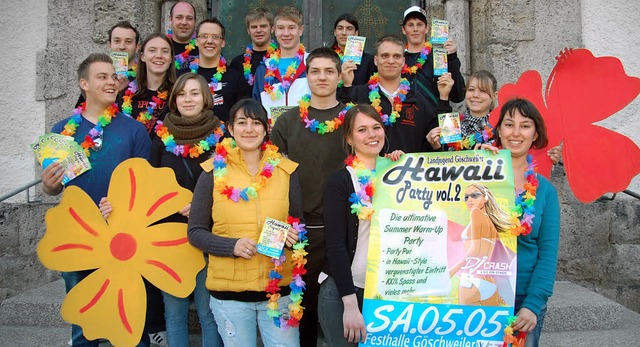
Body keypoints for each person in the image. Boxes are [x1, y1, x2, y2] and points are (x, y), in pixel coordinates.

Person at [42, 53, 151, 346]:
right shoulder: (61, 132)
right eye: (102, 76)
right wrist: (49, 186)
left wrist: (123, 206)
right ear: (84, 84)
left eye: (113, 76)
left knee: (128, 320)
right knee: (83, 321)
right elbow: (54, 189)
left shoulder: (134, 130)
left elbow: (143, 185)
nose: (111, 81)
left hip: (124, 236)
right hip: (78, 236)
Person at [188, 98, 305, 347]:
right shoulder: (212, 171)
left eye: (256, 123)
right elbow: (195, 232)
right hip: (230, 295)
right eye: (242, 122)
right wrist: (231, 246)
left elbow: (299, 226)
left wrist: (291, 237)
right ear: (230, 128)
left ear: (266, 129)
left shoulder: (286, 171)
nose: (249, 129)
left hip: (278, 293)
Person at [271, 47, 349, 347]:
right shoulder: (288, 122)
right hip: (299, 233)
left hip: (345, 231)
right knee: (301, 311)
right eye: (315, 71)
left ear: (340, 76)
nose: (322, 77)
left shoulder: (353, 117)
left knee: (341, 309)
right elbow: (270, 175)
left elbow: (374, 157)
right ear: (306, 75)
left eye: (329, 71)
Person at [319, 104, 403, 346]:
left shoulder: (401, 174)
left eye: (376, 127)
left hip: (388, 293)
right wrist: (350, 305)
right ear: (349, 138)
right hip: (345, 292)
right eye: (362, 130)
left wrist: (404, 166)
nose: (372, 135)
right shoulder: (340, 181)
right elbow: (335, 245)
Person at [490, 98, 561, 347]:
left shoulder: (546, 191)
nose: (516, 133)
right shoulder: (477, 176)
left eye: (525, 125)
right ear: (499, 131)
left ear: (535, 134)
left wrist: (532, 305)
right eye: (509, 124)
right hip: (476, 294)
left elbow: (548, 255)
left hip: (524, 298)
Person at [338, 35, 452, 153]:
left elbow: (443, 140)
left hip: (409, 170)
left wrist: (444, 97)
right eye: (385, 56)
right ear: (376, 60)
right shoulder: (359, 94)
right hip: (367, 170)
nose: (391, 61)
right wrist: (346, 86)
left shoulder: (417, 99)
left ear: (403, 62)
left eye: (396, 56)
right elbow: (341, 127)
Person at [449, 183, 512, 306]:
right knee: (495, 324)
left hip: (470, 279)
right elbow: (503, 253)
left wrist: (452, 270)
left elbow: (475, 250)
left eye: (474, 195)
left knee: (465, 323)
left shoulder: (476, 213)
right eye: (466, 197)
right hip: (489, 282)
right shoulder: (491, 222)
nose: (469, 200)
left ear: (486, 197)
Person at [182, 18, 250, 121]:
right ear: (196, 41)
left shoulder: (236, 78)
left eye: (215, 37)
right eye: (204, 36)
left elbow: (243, 116)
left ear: (222, 42)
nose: (209, 41)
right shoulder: (183, 77)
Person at [253, 5, 310, 121]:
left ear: (301, 30)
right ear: (274, 30)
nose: (286, 33)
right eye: (281, 28)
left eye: (291, 28)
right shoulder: (263, 70)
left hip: (306, 135)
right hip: (272, 137)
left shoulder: (312, 64)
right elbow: (256, 108)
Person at [401, 6, 466, 107]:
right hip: (402, 119)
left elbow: (458, 96)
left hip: (434, 120)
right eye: (410, 25)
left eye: (419, 25)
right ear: (404, 30)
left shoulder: (439, 57)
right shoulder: (397, 59)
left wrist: (452, 58)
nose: (415, 29)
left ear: (427, 29)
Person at [118, 34, 176, 137]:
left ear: (171, 58)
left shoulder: (178, 94)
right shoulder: (126, 93)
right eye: (152, 50)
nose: (159, 55)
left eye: (165, 51)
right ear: (142, 57)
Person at [427, 70, 498, 150]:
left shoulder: (500, 127)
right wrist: (436, 146)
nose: (475, 95)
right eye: (471, 90)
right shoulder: (454, 124)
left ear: (494, 96)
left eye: (483, 91)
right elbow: (445, 156)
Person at [75, 21, 141, 106]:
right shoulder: (97, 76)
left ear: (137, 47)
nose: (122, 47)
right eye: (117, 41)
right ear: (109, 45)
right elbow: (83, 111)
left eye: (128, 42)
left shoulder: (143, 76)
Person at [230, 7, 274, 87]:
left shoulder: (280, 58)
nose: (258, 30)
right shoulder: (237, 63)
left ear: (272, 29)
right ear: (248, 31)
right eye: (254, 27)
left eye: (263, 26)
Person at [331, 13, 376, 87]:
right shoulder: (326, 57)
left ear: (356, 33)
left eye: (349, 29)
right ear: (335, 32)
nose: (344, 33)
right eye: (340, 28)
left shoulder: (369, 61)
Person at [168, 1, 199, 70]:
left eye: (189, 18)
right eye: (179, 17)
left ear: (195, 21)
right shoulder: (161, 47)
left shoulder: (204, 48)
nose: (184, 22)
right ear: (170, 19)